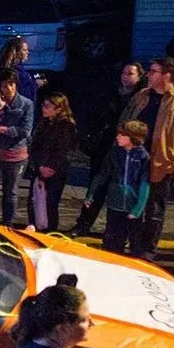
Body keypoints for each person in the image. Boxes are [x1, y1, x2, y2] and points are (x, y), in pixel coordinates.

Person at [119, 56, 174, 261]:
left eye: (154, 71)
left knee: (154, 208)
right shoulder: (142, 96)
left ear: (167, 75)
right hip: (135, 161)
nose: (149, 74)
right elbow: (124, 121)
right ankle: (134, 244)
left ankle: (148, 249)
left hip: (161, 164)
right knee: (130, 202)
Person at [71, 62, 144, 237]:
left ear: (139, 77)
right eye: (124, 73)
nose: (125, 76)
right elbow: (95, 116)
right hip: (104, 148)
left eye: (130, 73)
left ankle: (121, 232)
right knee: (96, 187)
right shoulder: (110, 94)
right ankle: (83, 224)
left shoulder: (140, 99)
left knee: (124, 191)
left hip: (126, 150)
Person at [84, 121, 152, 256]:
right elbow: (102, 175)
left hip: (132, 205)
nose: (118, 137)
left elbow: (145, 184)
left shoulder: (143, 157)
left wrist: (138, 208)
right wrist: (90, 194)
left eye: (122, 135)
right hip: (115, 203)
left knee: (135, 240)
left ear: (133, 137)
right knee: (112, 237)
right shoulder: (114, 153)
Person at [0, 69, 35, 226]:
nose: (8, 89)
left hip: (16, 155)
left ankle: (8, 224)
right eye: (4, 85)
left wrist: (2, 129)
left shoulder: (26, 104)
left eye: (11, 84)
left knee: (10, 192)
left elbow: (25, 130)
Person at [27, 92, 77, 232]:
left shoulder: (66, 126)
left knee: (49, 204)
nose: (44, 108)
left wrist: (50, 167)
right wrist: (39, 165)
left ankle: (49, 232)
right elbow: (36, 147)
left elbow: (63, 150)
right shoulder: (43, 123)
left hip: (54, 172)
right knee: (34, 202)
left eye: (48, 106)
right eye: (43, 105)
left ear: (59, 108)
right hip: (39, 168)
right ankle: (35, 228)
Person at [0, 35, 40, 105]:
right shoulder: (14, 72)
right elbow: (23, 93)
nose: (28, 52)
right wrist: (36, 84)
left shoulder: (12, 68)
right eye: (24, 50)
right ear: (16, 52)